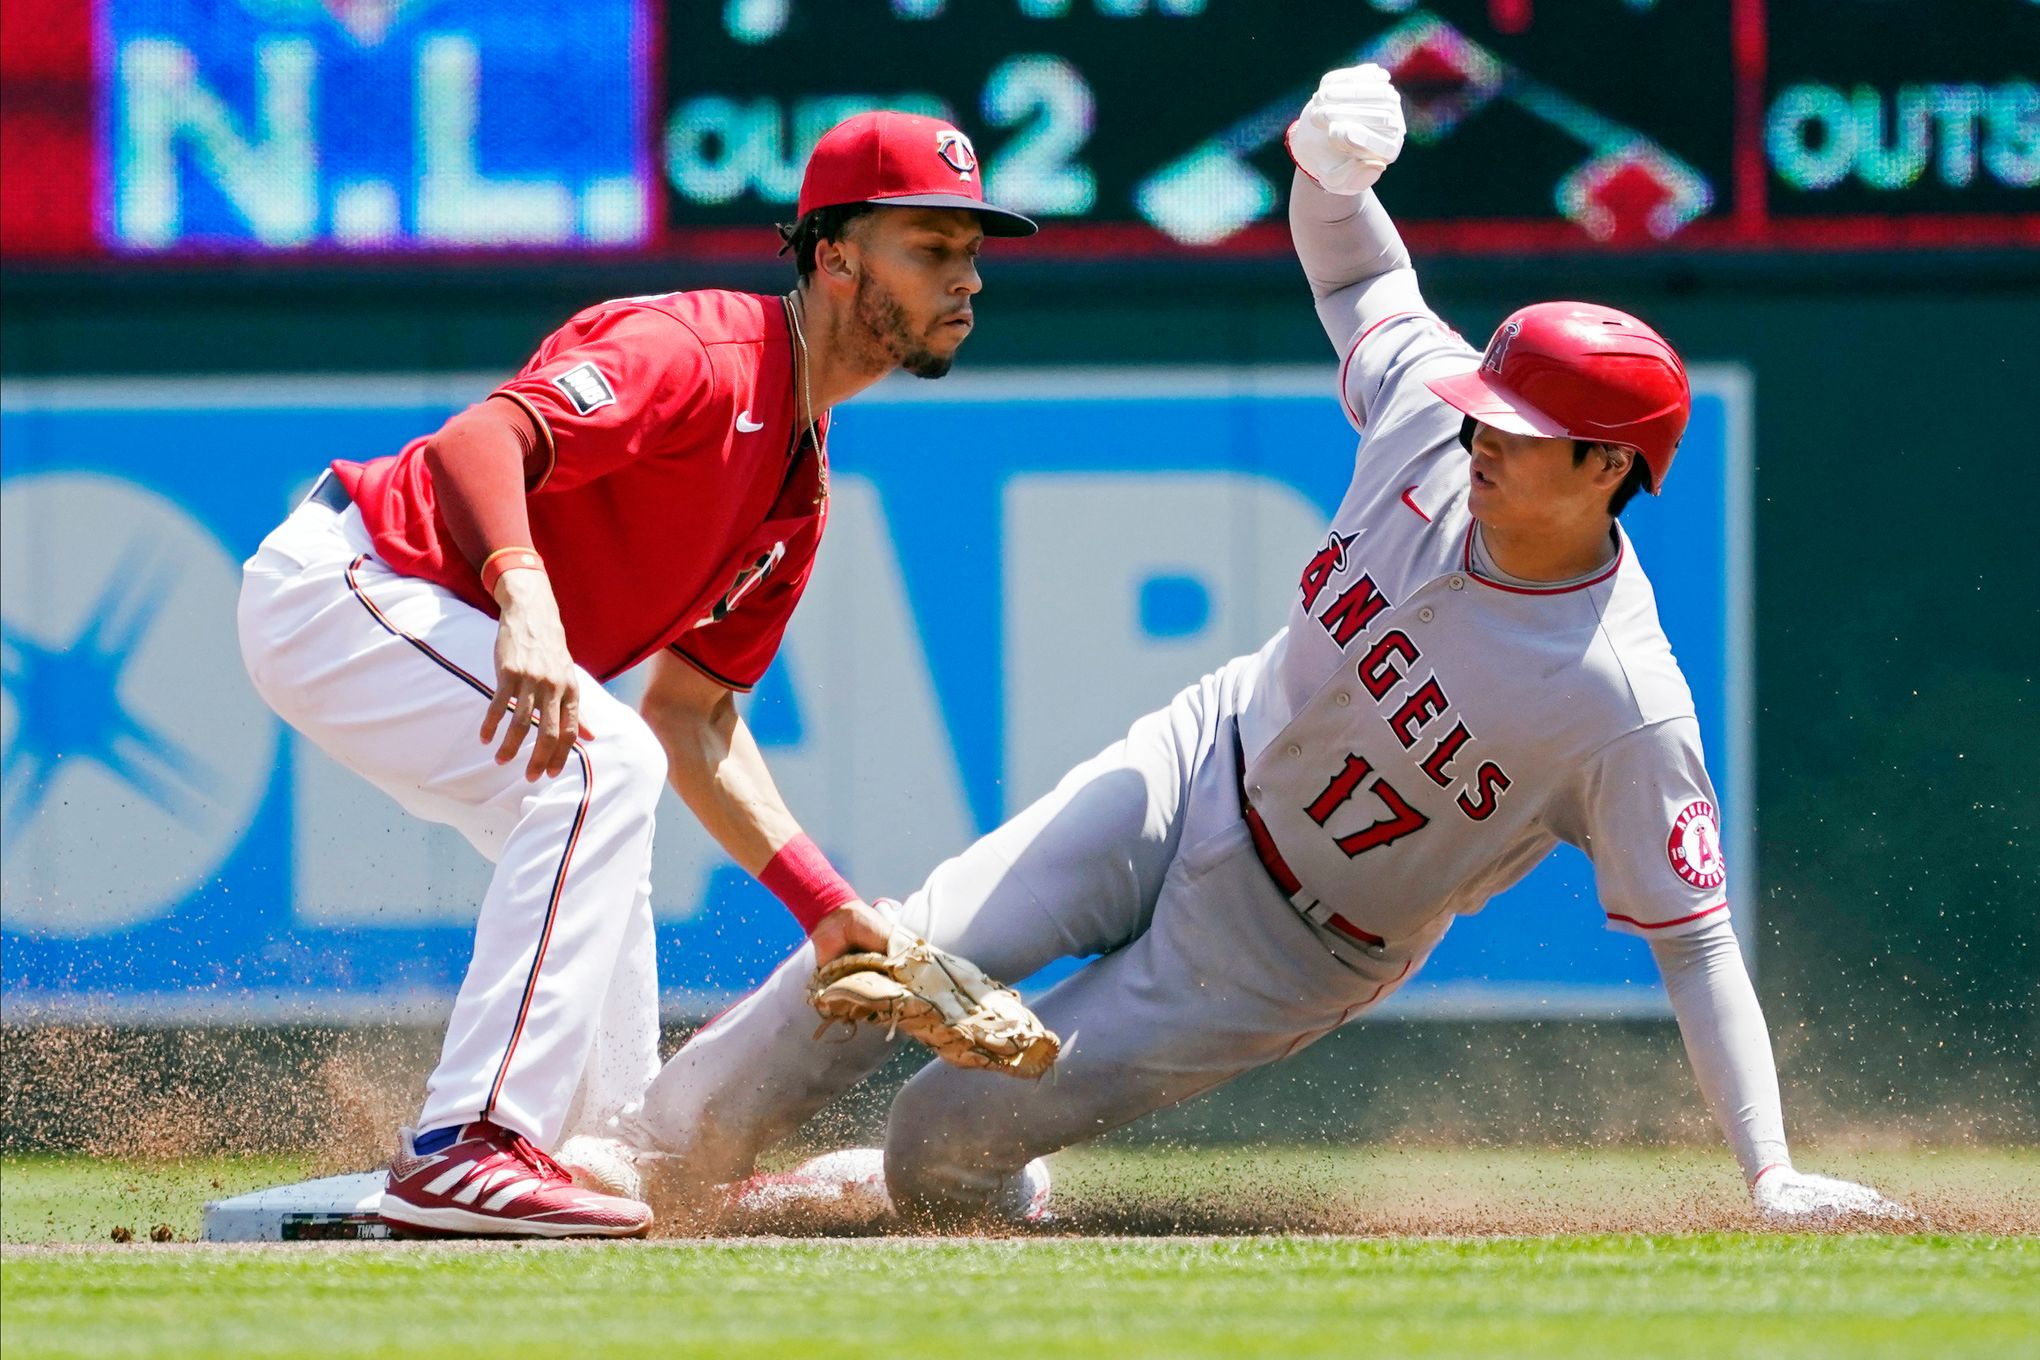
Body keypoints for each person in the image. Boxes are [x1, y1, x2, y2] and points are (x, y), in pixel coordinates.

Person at [602, 65, 1907, 1227]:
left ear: (1609, 464)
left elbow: (1696, 943)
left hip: (1295, 947)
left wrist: (1768, 1170)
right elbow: (1354, 271)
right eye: (1485, 405)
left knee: (934, 1146)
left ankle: (987, 1181)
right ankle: (630, 1162)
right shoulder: (1424, 423)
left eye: (1516, 424)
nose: (1481, 432)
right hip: (1195, 765)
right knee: (894, 955)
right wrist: (1327, 170)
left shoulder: (1619, 700)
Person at [234, 111, 1035, 1237]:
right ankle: (465, 1144)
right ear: (836, 253)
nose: (966, 280)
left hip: (451, 633)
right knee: (597, 767)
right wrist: (523, 597)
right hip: (349, 583)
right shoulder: (704, 353)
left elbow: (694, 718)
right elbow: (481, 439)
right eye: (932, 247)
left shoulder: (796, 498)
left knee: (608, 803)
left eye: (972, 254)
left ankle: (607, 1153)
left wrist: (827, 910)